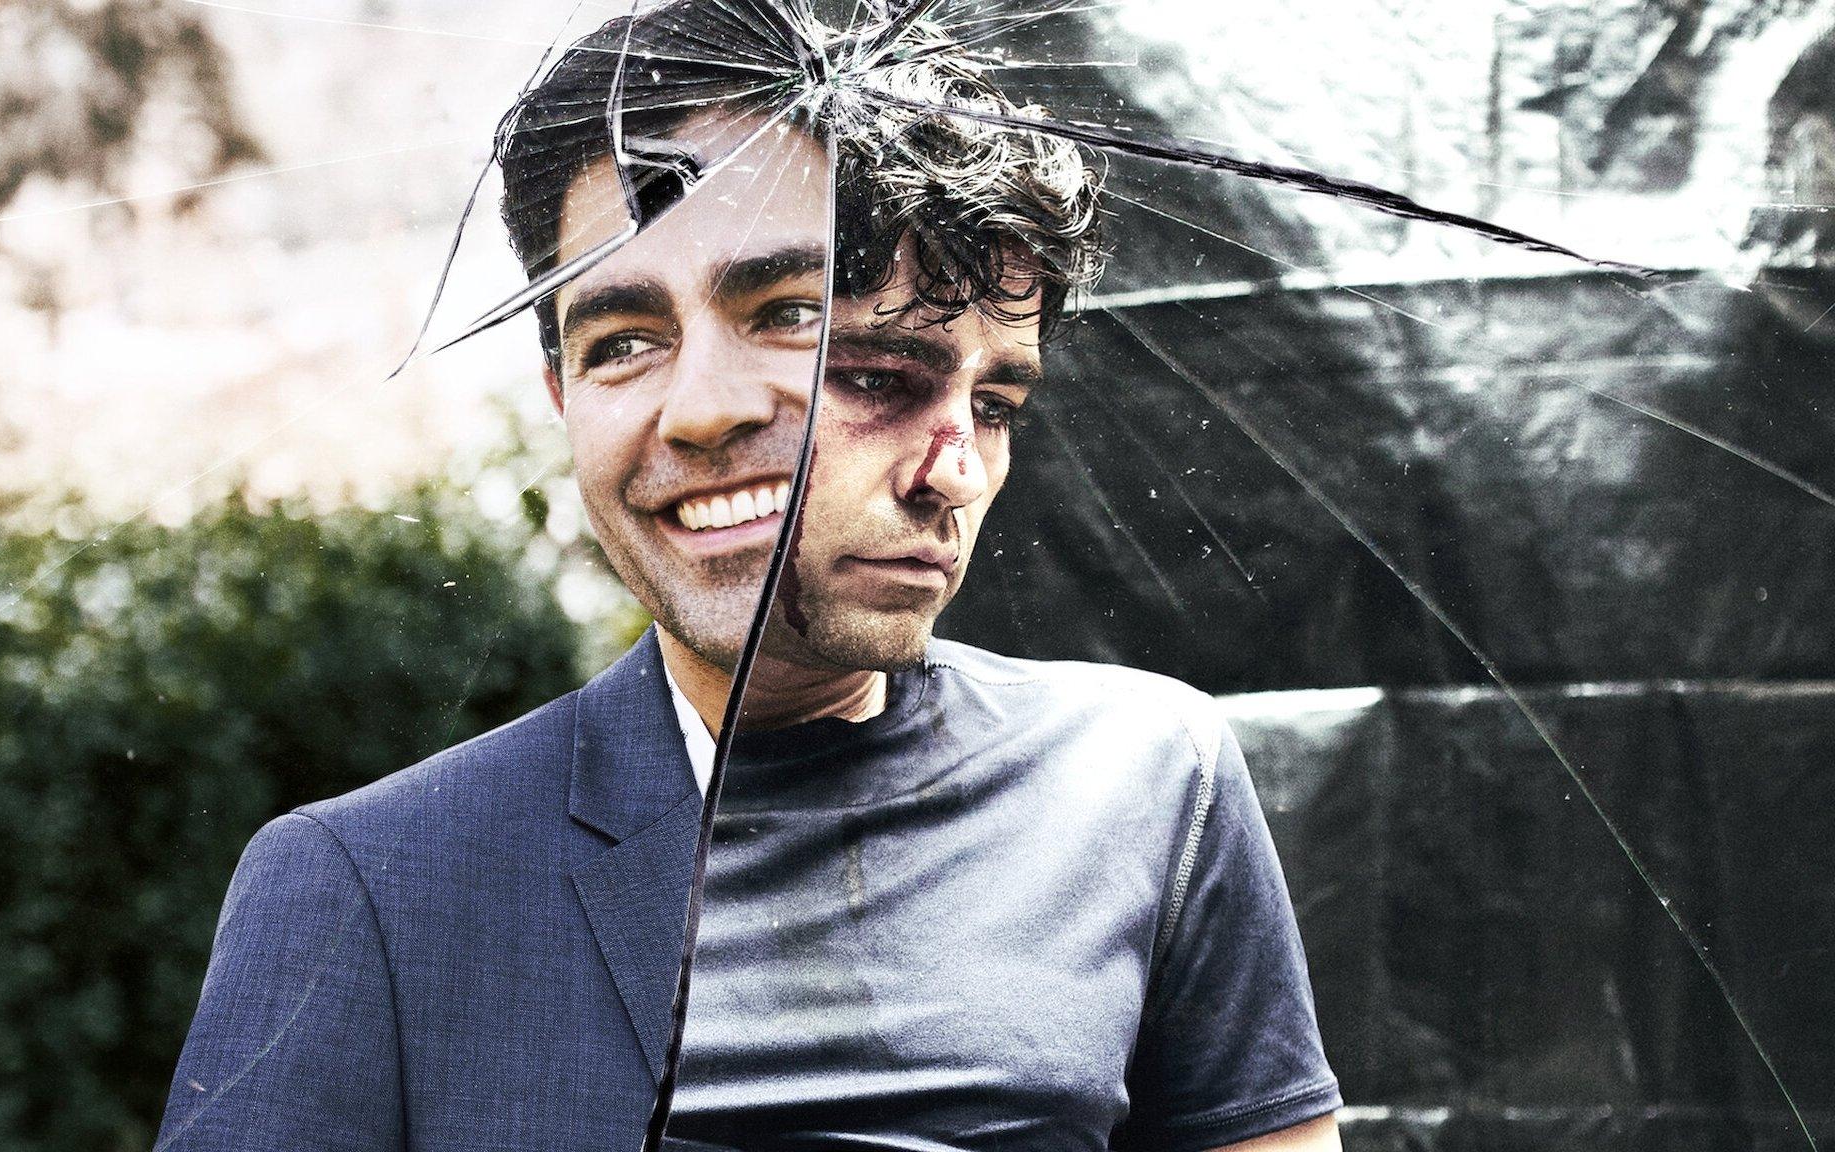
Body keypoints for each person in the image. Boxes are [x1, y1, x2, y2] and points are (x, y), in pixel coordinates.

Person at [155, 5, 1341, 1151]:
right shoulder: (369, 886)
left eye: (989, 401)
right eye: (621, 342)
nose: (698, 411)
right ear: (562, 396)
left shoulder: (1145, 784)